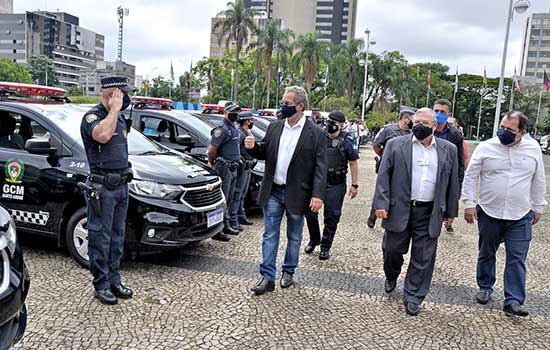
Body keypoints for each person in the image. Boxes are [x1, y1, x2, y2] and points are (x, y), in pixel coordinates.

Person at [373, 107, 459, 316]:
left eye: (425, 124)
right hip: (399, 209)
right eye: (417, 122)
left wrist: (451, 212)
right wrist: (380, 204)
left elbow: (452, 181)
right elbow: (384, 176)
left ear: (435, 126)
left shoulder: (448, 149)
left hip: (429, 212)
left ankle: (413, 295)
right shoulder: (395, 145)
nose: (420, 126)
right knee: (392, 250)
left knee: (423, 257)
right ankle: (391, 275)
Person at [462, 111, 547, 317]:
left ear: (522, 131)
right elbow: (471, 176)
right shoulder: (486, 147)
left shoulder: (533, 149)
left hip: (520, 214)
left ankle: (514, 300)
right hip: (489, 211)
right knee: (486, 252)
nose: (503, 132)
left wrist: (538, 207)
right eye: (502, 127)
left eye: (510, 129)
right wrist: (469, 203)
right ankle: (485, 287)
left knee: (517, 257)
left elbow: (538, 179)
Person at [245, 86, 327, 295]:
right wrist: (252, 147)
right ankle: (267, 277)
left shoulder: (316, 133)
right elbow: (264, 151)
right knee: (269, 234)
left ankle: (289, 271)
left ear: (300, 106)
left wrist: (318, 195)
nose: (282, 106)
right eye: (282, 102)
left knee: (294, 235)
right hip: (273, 189)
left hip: (298, 193)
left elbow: (320, 167)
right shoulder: (275, 127)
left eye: (287, 103)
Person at [80, 76, 136, 305]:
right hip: (102, 188)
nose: (125, 98)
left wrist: (117, 112)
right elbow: (102, 136)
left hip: (121, 186)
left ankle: (114, 279)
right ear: (111, 94)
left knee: (117, 236)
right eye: (121, 94)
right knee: (100, 238)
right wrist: (113, 110)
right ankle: (101, 284)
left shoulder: (120, 119)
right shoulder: (93, 117)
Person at [304, 111, 359, 260]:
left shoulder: (346, 141)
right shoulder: (319, 137)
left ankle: (325, 246)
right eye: (329, 121)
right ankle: (314, 238)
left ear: (341, 125)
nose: (330, 125)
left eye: (334, 122)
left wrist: (355, 185)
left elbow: (353, 163)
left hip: (336, 184)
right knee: (310, 213)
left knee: (332, 216)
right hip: (318, 183)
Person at [367, 107, 415, 229]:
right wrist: (384, 156)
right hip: (387, 165)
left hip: (403, 168)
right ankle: (373, 215)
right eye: (411, 119)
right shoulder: (388, 130)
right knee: (382, 190)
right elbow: (376, 145)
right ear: (405, 118)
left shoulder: (412, 133)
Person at [208, 102, 242, 241]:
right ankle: (217, 229)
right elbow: (212, 150)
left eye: (237, 111)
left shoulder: (233, 128)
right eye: (233, 111)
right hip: (224, 167)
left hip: (233, 168)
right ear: (225, 112)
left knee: (230, 198)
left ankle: (226, 224)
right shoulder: (221, 129)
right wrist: (212, 163)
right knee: (222, 199)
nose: (236, 114)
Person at [432, 99, 464, 234]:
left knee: (433, 230)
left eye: (442, 112)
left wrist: (454, 200)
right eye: (436, 111)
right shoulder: (422, 130)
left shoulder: (455, 135)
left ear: (449, 114)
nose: (438, 114)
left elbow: (459, 166)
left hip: (443, 184)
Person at [228, 111, 256, 229]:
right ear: (246, 121)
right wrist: (242, 160)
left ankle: (241, 215)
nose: (252, 122)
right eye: (250, 120)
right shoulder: (240, 133)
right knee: (237, 193)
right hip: (242, 167)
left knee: (243, 193)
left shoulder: (246, 132)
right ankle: (233, 219)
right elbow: (236, 150)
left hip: (248, 166)